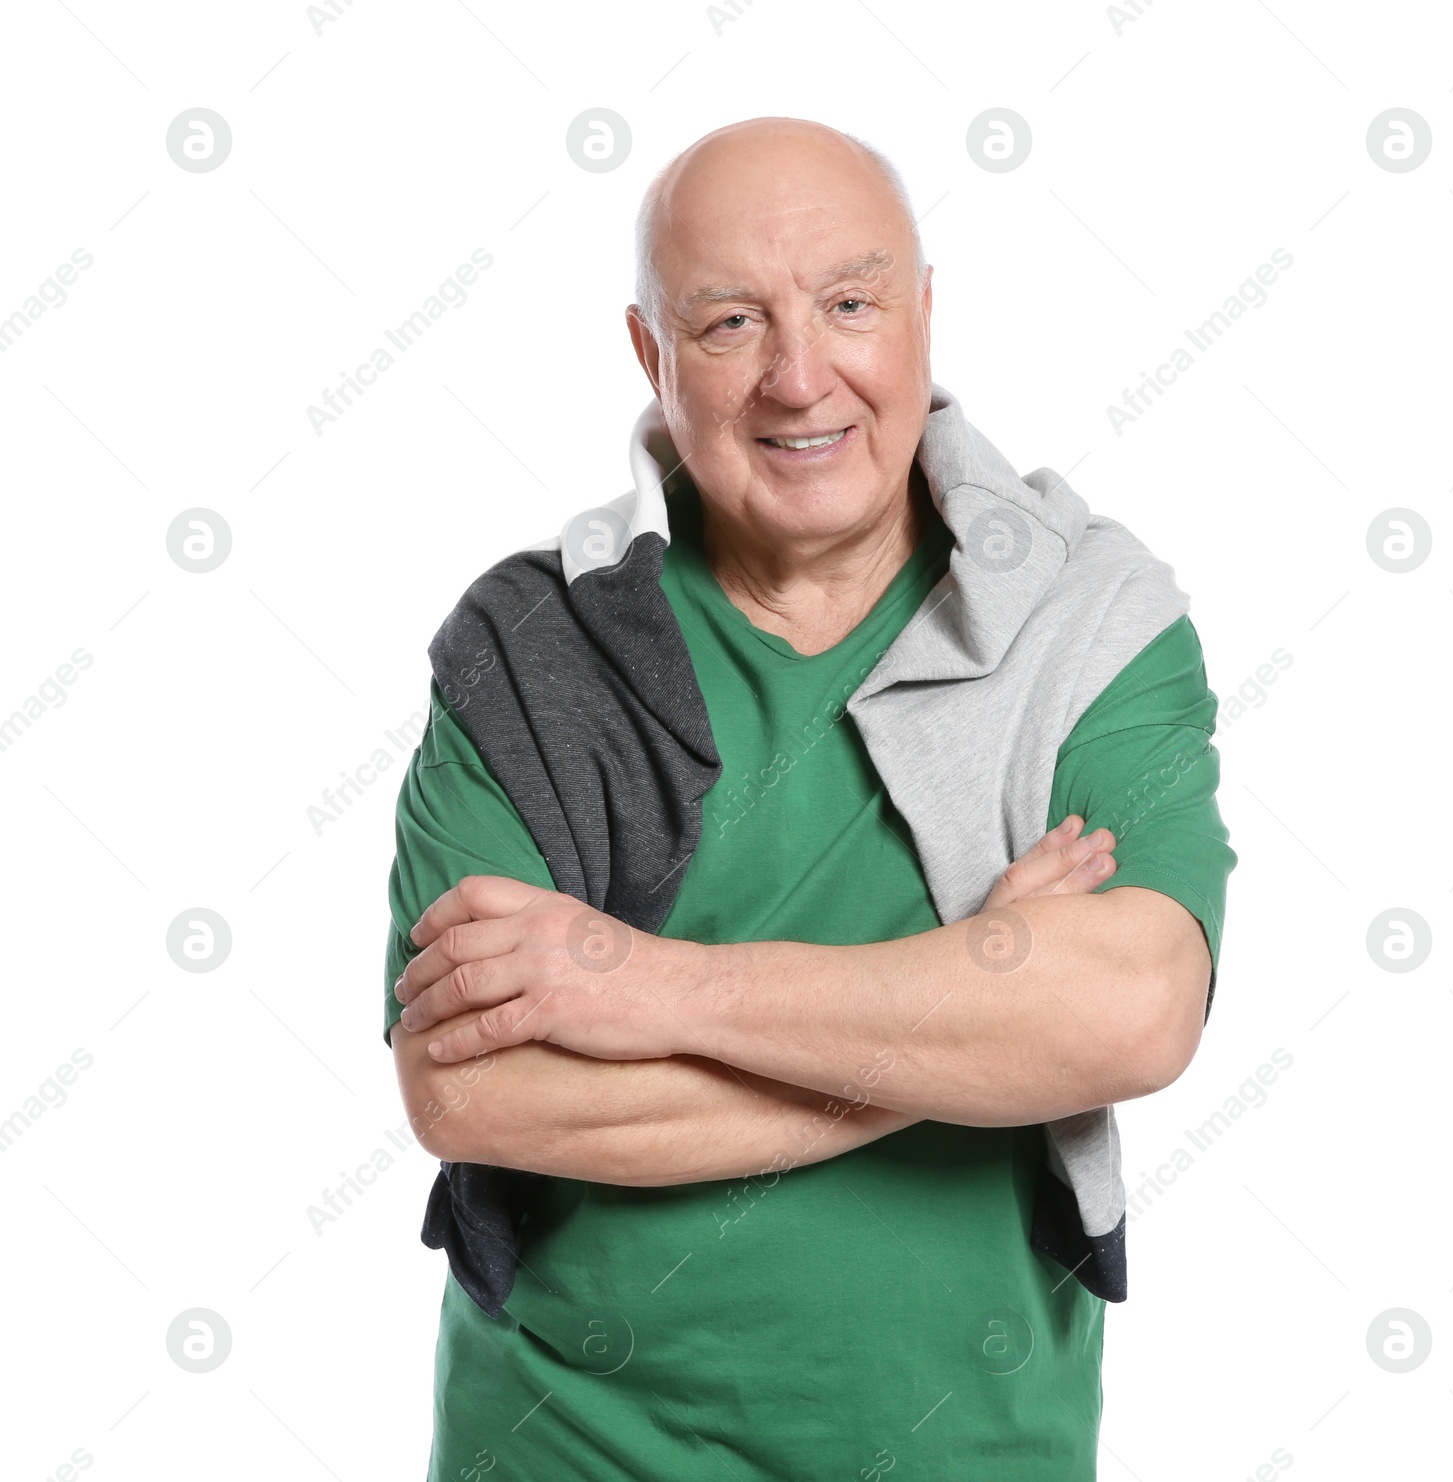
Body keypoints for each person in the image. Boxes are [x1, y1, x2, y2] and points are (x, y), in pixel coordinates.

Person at [384, 115, 1236, 1479]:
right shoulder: (532, 647)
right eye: (728, 324)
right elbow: (475, 1090)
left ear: (923, 316)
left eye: (850, 304)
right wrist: (960, 1035)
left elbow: (1129, 1009)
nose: (800, 376)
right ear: (651, 356)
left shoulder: (1092, 619)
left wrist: (644, 987)